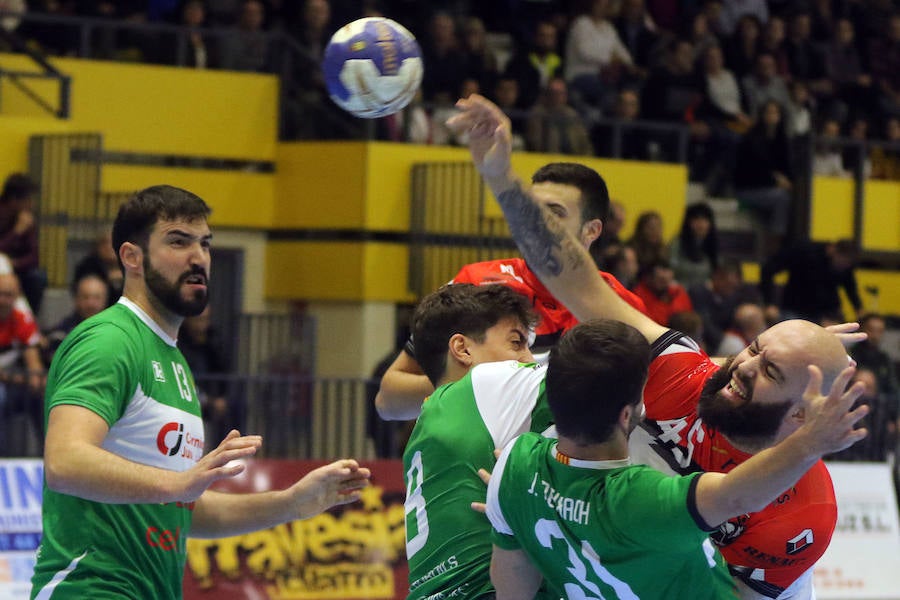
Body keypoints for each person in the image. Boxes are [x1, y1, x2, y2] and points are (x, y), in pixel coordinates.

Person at [446, 93, 869, 599]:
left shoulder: (803, 512)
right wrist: (500, 178)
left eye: (772, 372)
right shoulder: (679, 371)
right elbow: (573, 278)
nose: (743, 366)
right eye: (754, 348)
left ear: (801, 418)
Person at [30, 185, 370, 598]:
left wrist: (292, 503)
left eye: (205, 244)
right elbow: (64, 462)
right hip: (89, 589)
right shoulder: (109, 340)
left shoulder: (175, 361)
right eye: (178, 241)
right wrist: (177, 485)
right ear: (131, 257)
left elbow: (185, 509)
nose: (198, 257)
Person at [485, 318, 866, 600]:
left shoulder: (515, 467)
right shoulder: (646, 498)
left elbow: (510, 587)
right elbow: (736, 496)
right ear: (628, 413)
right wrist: (811, 443)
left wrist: (511, 501)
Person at [375, 162, 646, 421]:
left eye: (554, 212)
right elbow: (388, 401)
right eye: (532, 210)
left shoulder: (620, 308)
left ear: (592, 230)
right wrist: (479, 384)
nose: (536, 223)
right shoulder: (476, 283)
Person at [402, 282, 553, 600]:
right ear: (463, 349)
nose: (528, 359)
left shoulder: (425, 426)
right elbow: (599, 375)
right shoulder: (486, 383)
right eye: (517, 343)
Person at [760, 238, 861, 324]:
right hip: (795, 306)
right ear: (833, 250)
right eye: (842, 262)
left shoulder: (845, 267)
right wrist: (770, 303)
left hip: (824, 312)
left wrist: (858, 309)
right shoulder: (804, 252)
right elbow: (768, 270)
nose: (843, 266)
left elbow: (850, 287)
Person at [0, 272, 44, 457]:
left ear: (17, 296)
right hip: (7, 385)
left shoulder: (22, 319)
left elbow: (34, 366)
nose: (3, 300)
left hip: (12, 383)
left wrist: (38, 381)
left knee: (44, 396)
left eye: (8, 295)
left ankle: (48, 455)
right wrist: (17, 378)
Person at [0, 173, 46, 315]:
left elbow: (34, 257)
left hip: (17, 267)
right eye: (28, 199)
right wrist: (16, 232)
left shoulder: (26, 219)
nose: (31, 204)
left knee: (37, 277)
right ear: (14, 200)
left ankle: (29, 319)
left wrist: (15, 263)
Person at [42, 273, 109, 364]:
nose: (91, 304)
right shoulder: (60, 335)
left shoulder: (114, 332)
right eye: (85, 297)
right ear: (76, 299)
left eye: (97, 298)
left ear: (105, 300)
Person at [667, 201, 719, 289]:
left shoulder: (713, 245)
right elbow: (671, 269)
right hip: (679, 291)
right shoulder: (677, 243)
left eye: (705, 220)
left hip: (703, 294)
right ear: (688, 222)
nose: (700, 224)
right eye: (696, 219)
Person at [632, 259, 694, 327]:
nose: (665, 284)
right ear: (649, 278)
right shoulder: (638, 295)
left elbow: (689, 319)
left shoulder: (677, 292)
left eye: (668, 280)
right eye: (661, 280)